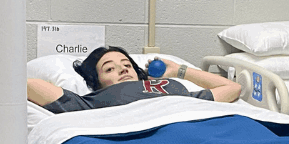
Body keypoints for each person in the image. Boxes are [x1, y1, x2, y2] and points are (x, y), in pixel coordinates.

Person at [27, 46, 241, 111]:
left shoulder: (172, 87)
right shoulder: (95, 101)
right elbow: (28, 85)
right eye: (109, 69)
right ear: (96, 83)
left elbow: (232, 88)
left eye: (127, 65)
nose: (122, 69)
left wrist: (178, 71)